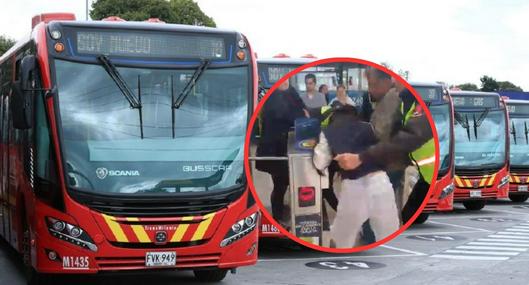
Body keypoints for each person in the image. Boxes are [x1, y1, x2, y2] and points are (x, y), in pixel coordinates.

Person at [334, 67, 435, 224]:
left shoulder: (397, 101)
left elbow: (400, 138)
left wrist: (362, 157)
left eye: (373, 85)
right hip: (410, 166)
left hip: (418, 168)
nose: (370, 90)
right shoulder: (395, 100)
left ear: (388, 81)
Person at [313, 104, 399, 247]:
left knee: (342, 238)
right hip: (380, 182)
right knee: (389, 234)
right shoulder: (368, 127)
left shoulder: (328, 132)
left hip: (353, 187)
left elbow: (319, 162)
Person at [256, 79, 307, 223]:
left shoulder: (291, 92)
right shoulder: (273, 97)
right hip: (275, 149)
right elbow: (287, 115)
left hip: (289, 147)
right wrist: (301, 115)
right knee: (280, 184)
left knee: (287, 183)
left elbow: (301, 110)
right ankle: (277, 217)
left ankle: (284, 212)